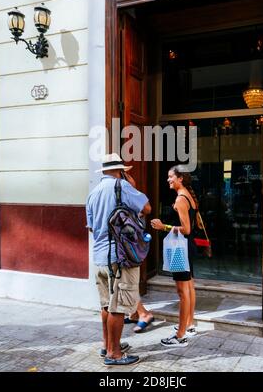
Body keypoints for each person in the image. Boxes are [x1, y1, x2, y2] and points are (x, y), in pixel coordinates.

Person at [86, 153, 151, 366]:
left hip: (99, 257)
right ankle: (114, 354)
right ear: (120, 170)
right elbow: (146, 208)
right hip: (120, 257)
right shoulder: (122, 187)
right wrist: (131, 185)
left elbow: (91, 227)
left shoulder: (93, 193)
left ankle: (108, 344)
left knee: (106, 305)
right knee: (118, 307)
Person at [151, 165, 198, 347]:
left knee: (182, 292)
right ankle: (189, 325)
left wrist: (164, 227)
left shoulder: (180, 199)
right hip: (188, 247)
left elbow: (186, 229)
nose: (168, 180)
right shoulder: (189, 195)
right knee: (189, 287)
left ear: (181, 178)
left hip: (180, 249)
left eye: (171, 177)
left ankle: (180, 335)